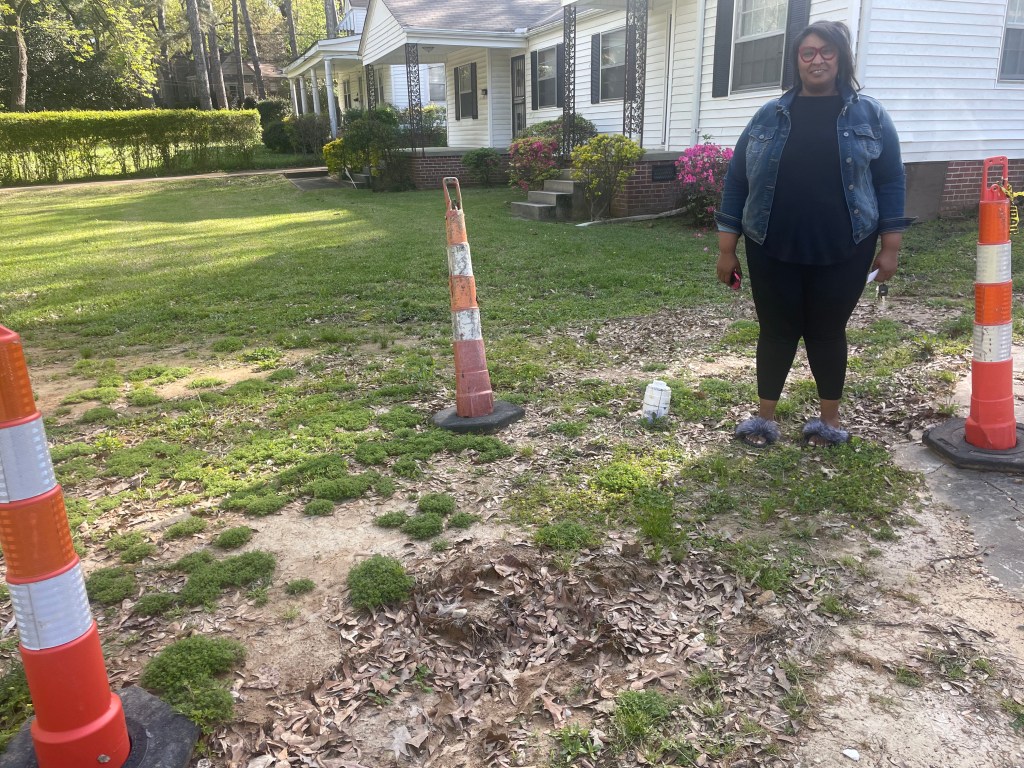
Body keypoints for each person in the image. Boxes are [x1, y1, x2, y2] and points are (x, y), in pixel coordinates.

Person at [714, 19, 913, 448]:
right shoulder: (769, 114)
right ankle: (764, 419)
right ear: (797, 60)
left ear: (840, 59)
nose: (817, 59)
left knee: (826, 331)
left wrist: (890, 246)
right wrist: (726, 249)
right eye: (808, 52)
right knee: (776, 330)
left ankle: (828, 422)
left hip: (846, 247)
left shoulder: (871, 115)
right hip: (770, 244)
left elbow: (891, 181)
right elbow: (737, 180)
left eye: (827, 52)